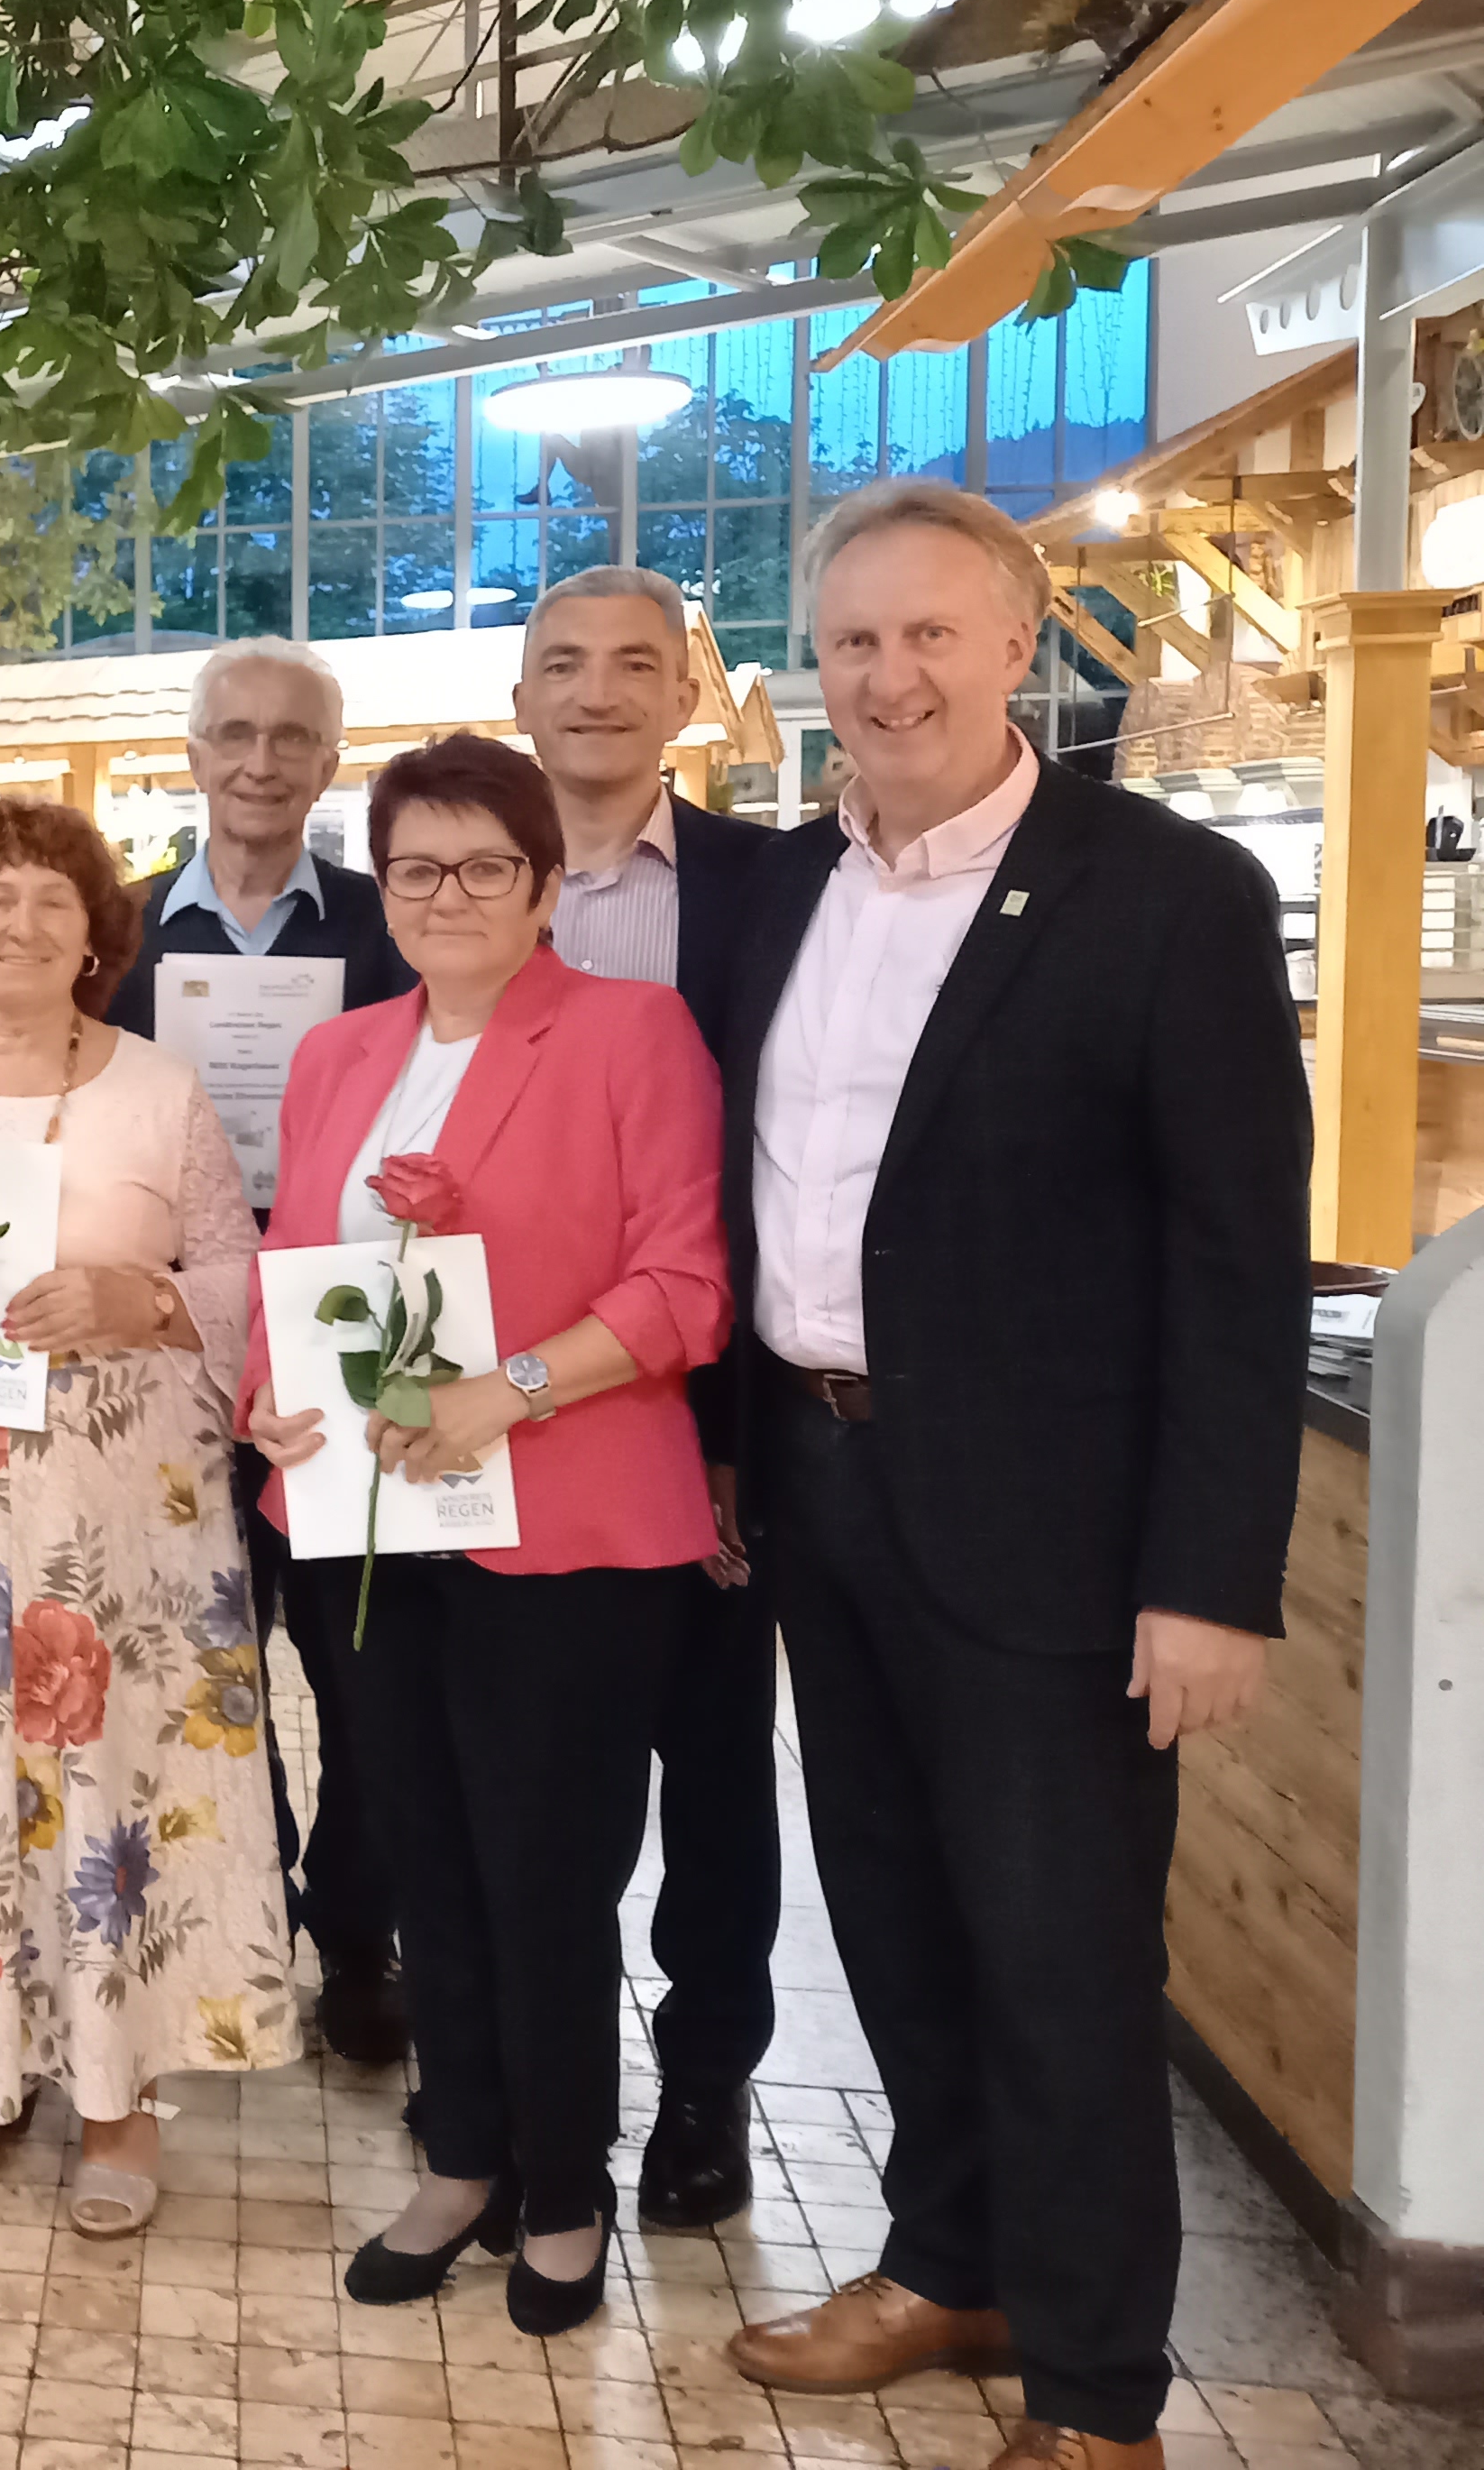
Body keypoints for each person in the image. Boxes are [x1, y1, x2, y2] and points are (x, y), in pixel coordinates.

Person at [713, 483, 1308, 2470]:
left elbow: (1236, 1259)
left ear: (1017, 646)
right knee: (886, 1916)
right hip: (819, 1481)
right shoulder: (782, 895)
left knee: (1059, 1952)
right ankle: (943, 2261)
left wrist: (1210, 1575)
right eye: (853, 640)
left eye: (926, 637)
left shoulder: (1159, 893)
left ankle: (1090, 2387)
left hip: (1053, 1535)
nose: (886, 677)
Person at [243, 730, 732, 2337]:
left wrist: (504, 1390)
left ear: (542, 885)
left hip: (570, 1528)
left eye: (485, 867)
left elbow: (682, 1289)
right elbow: (294, 1260)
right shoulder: (340, 1054)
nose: (447, 896)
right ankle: (461, 2157)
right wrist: (270, 1397)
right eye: (416, 869)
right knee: (423, 1858)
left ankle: (565, 2184)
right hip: (371, 1515)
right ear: (379, 887)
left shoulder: (630, 1034)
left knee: (544, 1871)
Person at [0, 793, 297, 2239]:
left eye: (50, 899)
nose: (19, 924)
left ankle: (117, 2096)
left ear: (98, 932)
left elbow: (236, 1277)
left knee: (114, 1782)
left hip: (121, 1499)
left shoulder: (159, 1086)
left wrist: (137, 1298)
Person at [508, 565, 781, 2232]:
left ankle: (707, 2078)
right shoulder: (463, 886)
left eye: (634, 665)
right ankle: (543, 2084)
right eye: (563, 664)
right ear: (521, 695)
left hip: (708, 1413)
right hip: (503, 1414)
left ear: (686, 694)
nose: (597, 691)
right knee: (548, 1778)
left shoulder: (777, 886)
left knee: (717, 1771)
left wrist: (750, 1437)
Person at [111, 638, 415, 2068]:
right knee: (201, 1649)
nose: (259, 761)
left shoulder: (388, 924)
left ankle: (361, 1929)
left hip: (344, 1334)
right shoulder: (113, 938)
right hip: (165, 1337)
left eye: (291, 738)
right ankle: (251, 1905)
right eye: (232, 733)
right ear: (191, 752)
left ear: (328, 761)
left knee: (359, 1655)